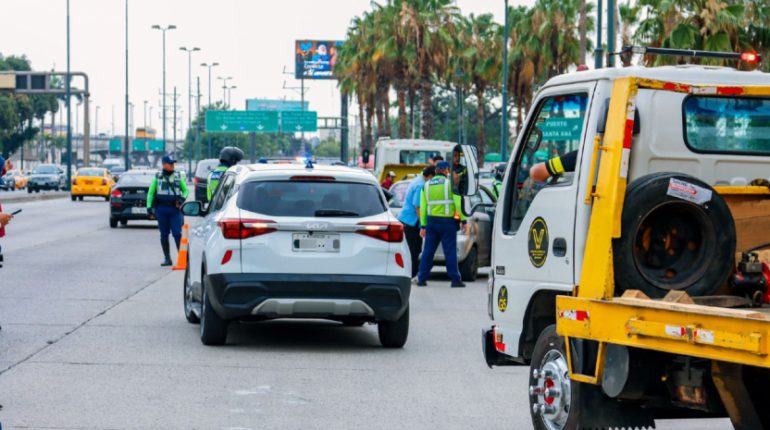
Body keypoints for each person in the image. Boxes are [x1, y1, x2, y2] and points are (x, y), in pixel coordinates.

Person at [416, 161, 467, 288]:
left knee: (428, 251)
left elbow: (423, 207)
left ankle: (421, 278)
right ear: (445, 171)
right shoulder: (450, 184)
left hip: (431, 222)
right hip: (447, 223)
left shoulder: (426, 186)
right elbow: (458, 202)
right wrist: (463, 220)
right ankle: (455, 280)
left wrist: (423, 225)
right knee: (450, 251)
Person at [147, 155, 189, 266]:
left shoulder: (178, 176)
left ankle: (182, 259)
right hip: (161, 210)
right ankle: (167, 258)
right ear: (164, 165)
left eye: (173, 163)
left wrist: (182, 199)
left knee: (177, 234)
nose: (172, 165)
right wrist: (149, 208)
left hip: (175, 210)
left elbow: (185, 191)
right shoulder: (158, 176)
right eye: (170, 163)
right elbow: (151, 193)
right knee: (163, 235)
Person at [398, 166, 435, 278]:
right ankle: (412, 273)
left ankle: (412, 272)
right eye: (433, 178)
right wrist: (423, 224)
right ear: (429, 176)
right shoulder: (421, 185)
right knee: (414, 249)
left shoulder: (418, 180)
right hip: (411, 222)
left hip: (407, 220)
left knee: (413, 248)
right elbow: (418, 207)